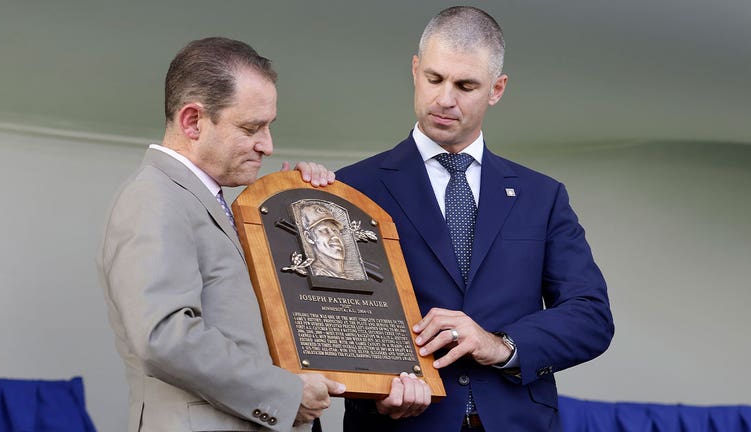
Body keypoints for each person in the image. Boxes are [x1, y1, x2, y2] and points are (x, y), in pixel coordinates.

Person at [97, 37, 428, 432]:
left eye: (268, 126)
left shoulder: (219, 205)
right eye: (251, 127)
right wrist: (284, 394)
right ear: (192, 121)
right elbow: (164, 337)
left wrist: (292, 202)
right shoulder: (152, 196)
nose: (266, 145)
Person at [337, 6, 614, 431]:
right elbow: (329, 313)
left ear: (497, 88)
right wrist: (375, 391)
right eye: (434, 79)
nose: (445, 99)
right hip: (401, 422)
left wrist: (500, 345)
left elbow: (591, 315)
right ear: (415, 70)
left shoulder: (543, 196)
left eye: (466, 85)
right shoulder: (350, 187)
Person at [301, 203, 348, 278]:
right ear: (309, 237)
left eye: (335, 230)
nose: (335, 236)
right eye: (324, 231)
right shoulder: (317, 274)